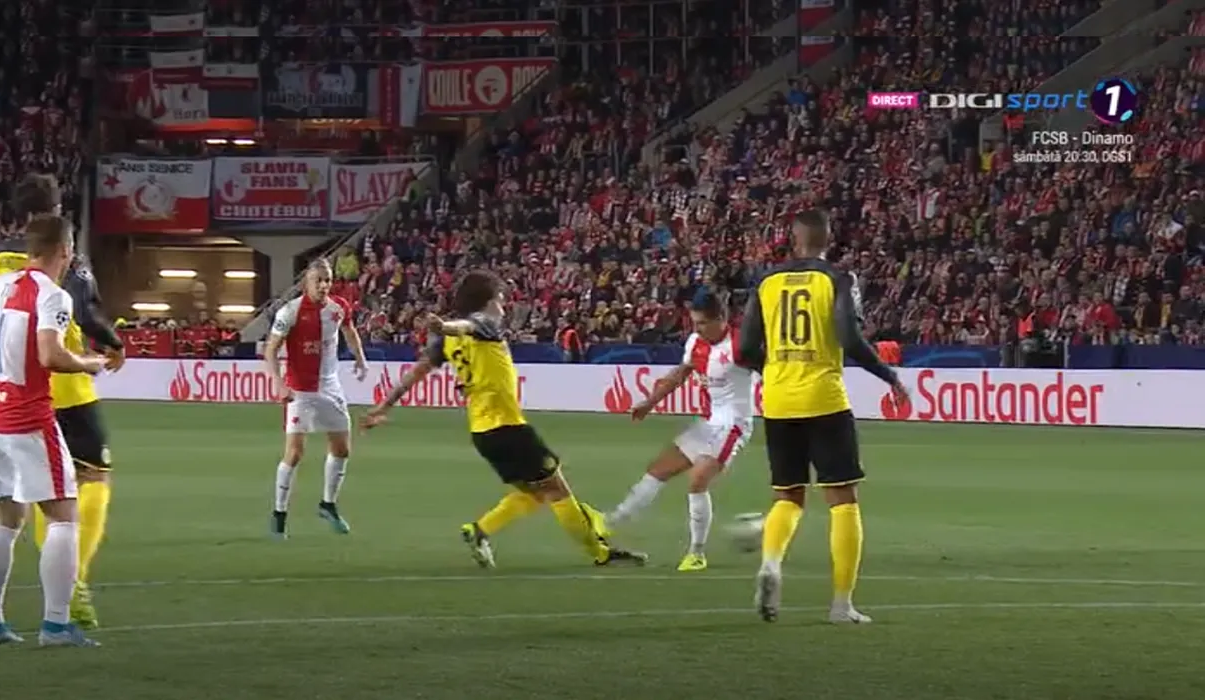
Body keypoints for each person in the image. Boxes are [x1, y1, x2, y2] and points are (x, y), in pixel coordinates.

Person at [361, 270, 647, 568]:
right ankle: (601, 553)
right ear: (486, 302)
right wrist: (445, 326)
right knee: (556, 490)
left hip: (483, 433)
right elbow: (469, 325)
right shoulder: (483, 324)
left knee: (535, 493)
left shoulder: (448, 344)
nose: (503, 305)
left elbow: (417, 372)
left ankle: (480, 530)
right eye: (499, 299)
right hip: (508, 427)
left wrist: (384, 406)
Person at [0, 173, 126, 630]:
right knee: (73, 500)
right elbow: (77, 321)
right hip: (45, 400)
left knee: (8, 515)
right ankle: (63, 607)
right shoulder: (58, 279)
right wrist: (102, 354)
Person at [737, 209, 909, 624]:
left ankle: (771, 563)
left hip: (778, 400)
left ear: (793, 239)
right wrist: (889, 376)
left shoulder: (767, 281)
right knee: (843, 500)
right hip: (824, 397)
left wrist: (774, 371)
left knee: (788, 496)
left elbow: (745, 349)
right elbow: (850, 339)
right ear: (828, 239)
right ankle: (841, 605)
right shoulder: (837, 279)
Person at [604, 288, 754, 571]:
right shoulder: (696, 342)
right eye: (694, 322)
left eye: (702, 323)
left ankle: (696, 553)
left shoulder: (741, 344)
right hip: (709, 422)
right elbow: (680, 374)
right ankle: (612, 521)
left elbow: (773, 368)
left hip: (734, 423)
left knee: (697, 480)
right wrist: (650, 402)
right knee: (658, 469)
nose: (697, 329)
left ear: (721, 319)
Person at [263, 258, 368, 539]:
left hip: (330, 387)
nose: (323, 286)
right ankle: (279, 514)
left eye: (327, 280)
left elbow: (349, 330)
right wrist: (278, 384)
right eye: (318, 280)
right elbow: (270, 350)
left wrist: (360, 358)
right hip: (300, 389)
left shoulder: (338, 308)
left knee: (342, 449)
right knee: (295, 453)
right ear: (306, 283)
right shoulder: (290, 311)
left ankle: (327, 505)